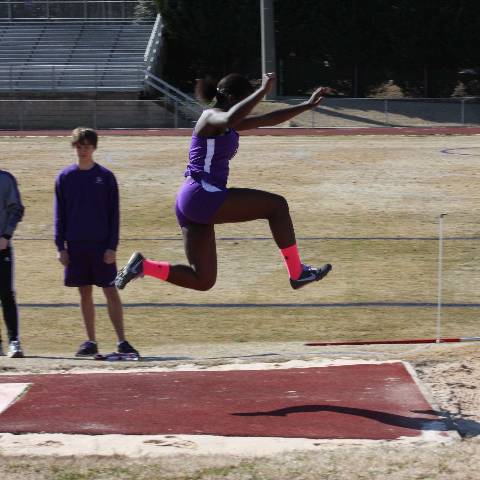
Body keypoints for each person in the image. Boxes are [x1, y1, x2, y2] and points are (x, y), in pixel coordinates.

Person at [115, 72, 332, 292]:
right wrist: (262, 91)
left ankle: (144, 266)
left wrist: (306, 105)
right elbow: (229, 119)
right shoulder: (212, 116)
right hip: (203, 195)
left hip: (192, 200)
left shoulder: (227, 123)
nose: (247, 107)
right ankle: (297, 273)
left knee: (203, 280)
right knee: (277, 206)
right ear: (229, 96)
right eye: (243, 101)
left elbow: (268, 119)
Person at [54, 127, 139, 357]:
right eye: (79, 146)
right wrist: (60, 247)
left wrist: (112, 246)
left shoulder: (106, 177)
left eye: (87, 146)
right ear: (74, 147)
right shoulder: (64, 178)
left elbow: (115, 215)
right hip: (76, 246)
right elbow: (59, 214)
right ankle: (91, 341)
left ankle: (122, 341)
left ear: (94, 148)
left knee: (110, 290)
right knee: (84, 293)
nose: (82, 150)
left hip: (101, 247)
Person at [0, 169, 25, 358]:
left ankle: (13, 341)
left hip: (2, 246)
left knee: (6, 293)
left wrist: (6, 235)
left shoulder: (5, 179)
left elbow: (17, 208)